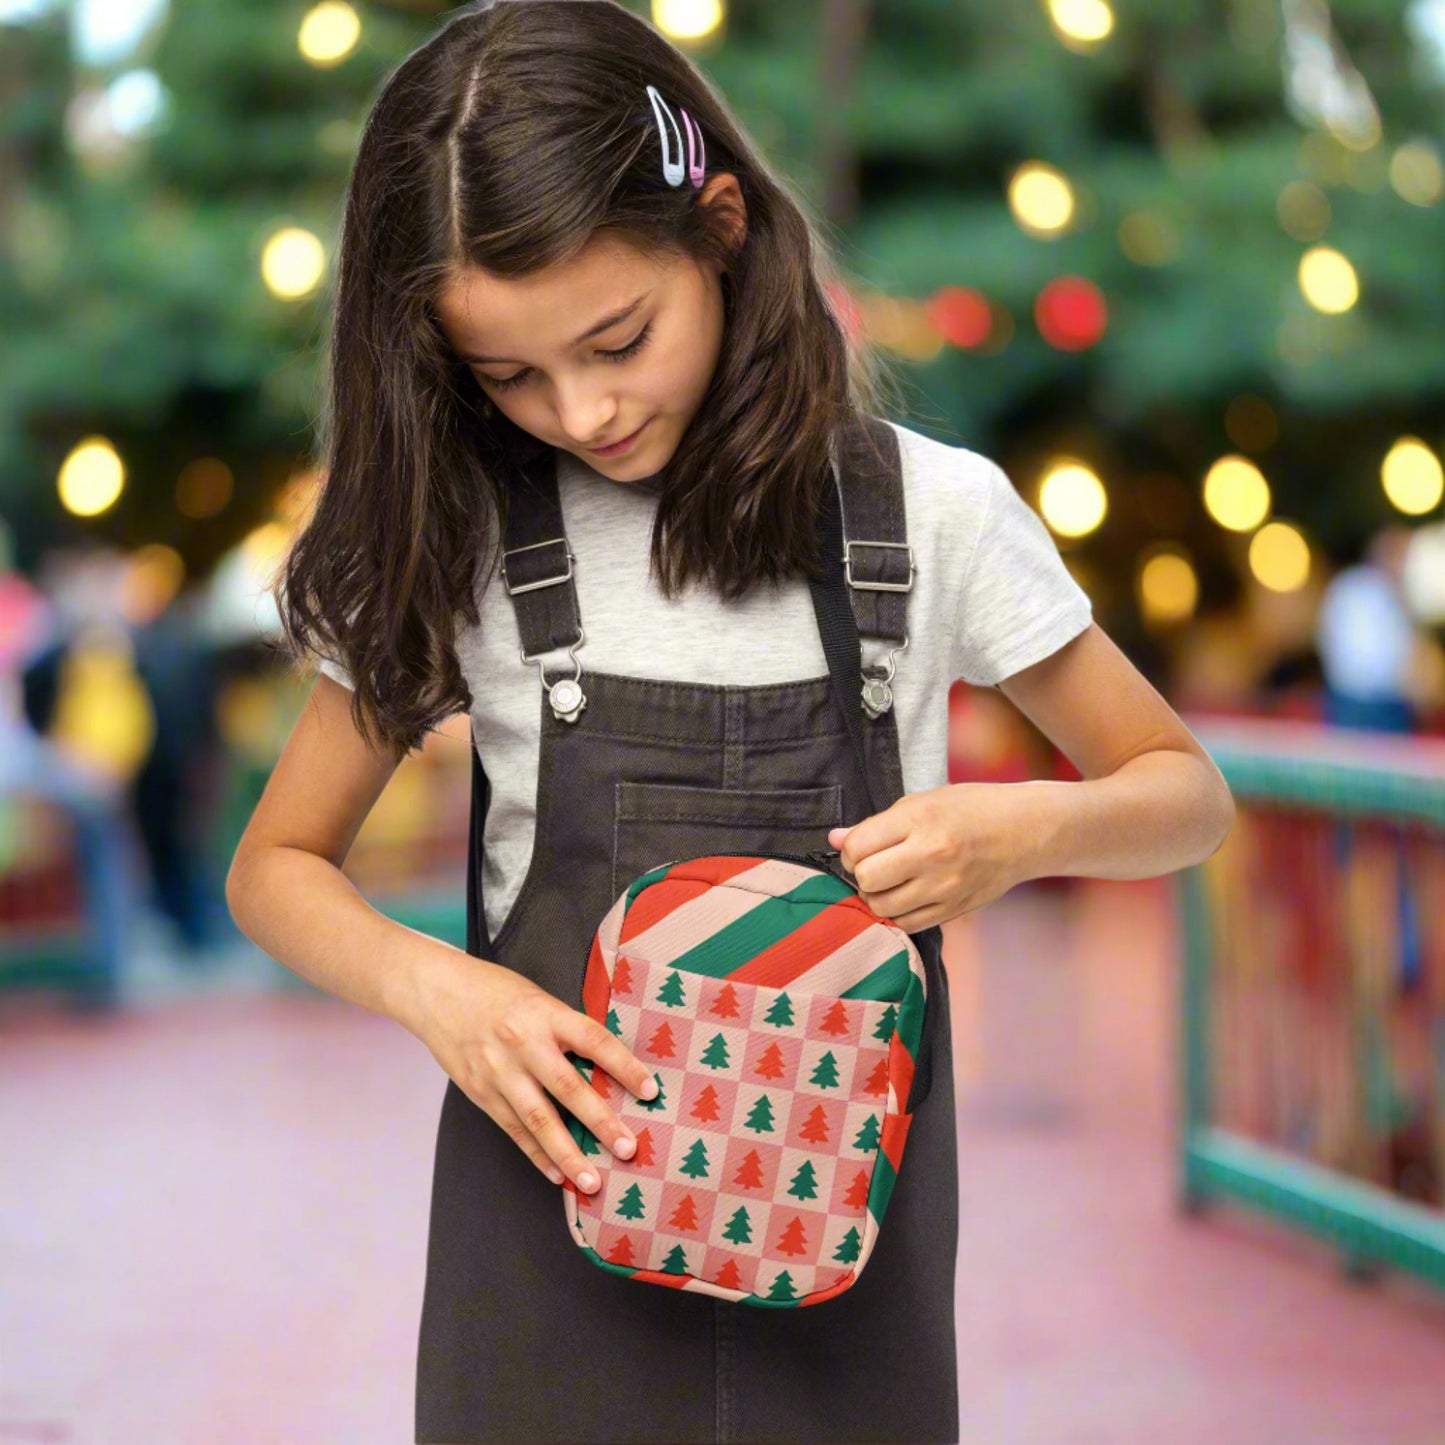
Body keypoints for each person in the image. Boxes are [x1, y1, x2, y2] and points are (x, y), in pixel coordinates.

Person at [224, 3, 1235, 1441]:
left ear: (718, 227)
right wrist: (442, 992)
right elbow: (274, 866)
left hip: (846, 1268)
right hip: (543, 1257)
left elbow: (1182, 792)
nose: (579, 409)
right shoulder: (462, 534)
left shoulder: (926, 516)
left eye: (615, 338)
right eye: (507, 376)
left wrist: (1022, 828)